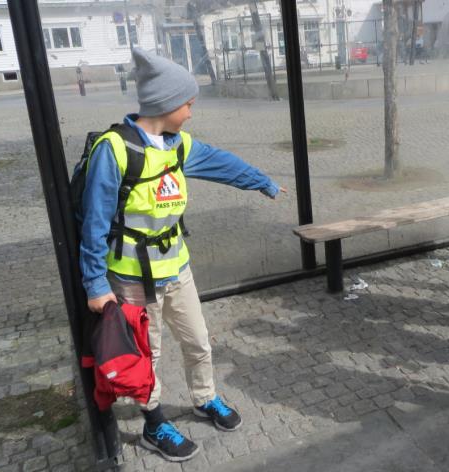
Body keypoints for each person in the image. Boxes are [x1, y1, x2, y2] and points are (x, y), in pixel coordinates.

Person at [79, 47, 285, 462]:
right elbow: (94, 222)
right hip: (133, 279)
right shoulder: (114, 150)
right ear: (167, 104)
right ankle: (154, 422)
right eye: (187, 104)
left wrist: (262, 181)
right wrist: (95, 283)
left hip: (177, 267)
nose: (191, 113)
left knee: (198, 342)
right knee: (147, 354)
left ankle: (204, 398)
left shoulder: (178, 145)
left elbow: (222, 163)